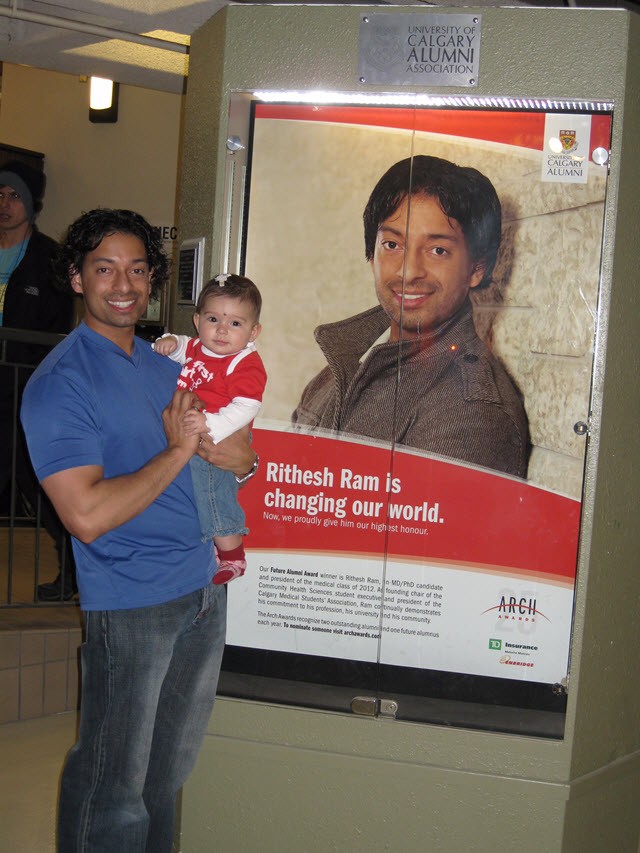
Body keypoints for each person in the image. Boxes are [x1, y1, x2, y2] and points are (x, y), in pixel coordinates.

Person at [20, 208, 258, 852]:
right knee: (112, 784)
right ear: (75, 279)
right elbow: (87, 516)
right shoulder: (61, 384)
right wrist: (181, 450)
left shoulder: (168, 364)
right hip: (131, 603)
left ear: (153, 280)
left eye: (136, 269)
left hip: (202, 588)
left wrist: (236, 453)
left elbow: (239, 454)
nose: (122, 285)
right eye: (104, 269)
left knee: (166, 778)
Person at [292, 154, 529, 478]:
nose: (408, 271)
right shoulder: (339, 370)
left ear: (477, 268)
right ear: (371, 255)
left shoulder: (470, 413)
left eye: (438, 250)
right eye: (392, 244)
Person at [155, 273, 266, 584]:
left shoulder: (244, 363)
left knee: (213, 492)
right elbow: (183, 347)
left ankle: (233, 555)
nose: (221, 330)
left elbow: (247, 406)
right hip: (196, 433)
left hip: (221, 436)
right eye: (213, 318)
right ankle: (216, 548)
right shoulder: (198, 348)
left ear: (253, 331)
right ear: (197, 320)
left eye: (235, 324)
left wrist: (211, 424)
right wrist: (169, 343)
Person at [0, 159, 76, 600]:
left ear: (32, 204)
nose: (6, 204)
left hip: (27, 387)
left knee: (37, 480)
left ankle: (73, 570)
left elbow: (55, 329)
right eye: (1, 196)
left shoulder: (50, 259)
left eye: (15, 196)